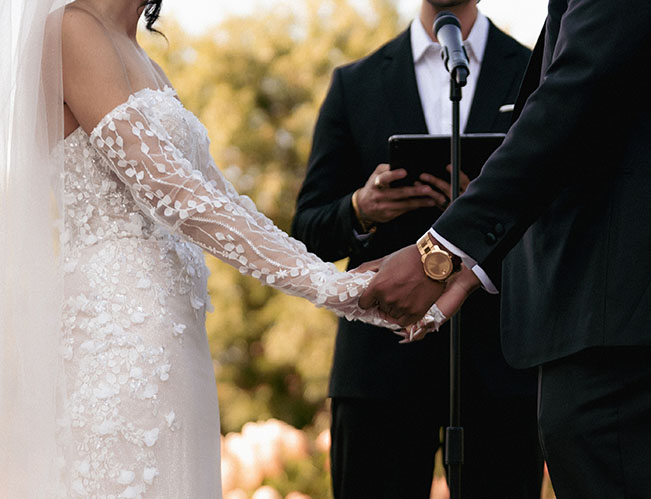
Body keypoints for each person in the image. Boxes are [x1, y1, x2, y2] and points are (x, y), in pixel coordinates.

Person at [0, 0, 444, 496]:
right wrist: (331, 286)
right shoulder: (71, 30)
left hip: (176, 336)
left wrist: (345, 285)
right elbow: (175, 195)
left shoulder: (148, 61)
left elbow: (223, 201)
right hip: (117, 338)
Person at [360, 0, 651, 497]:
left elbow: (580, 91)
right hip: (620, 303)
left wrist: (442, 251)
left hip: (625, 303)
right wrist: (476, 264)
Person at [292, 1, 543, 497]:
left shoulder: (535, 74)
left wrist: (486, 211)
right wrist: (360, 209)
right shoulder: (354, 83)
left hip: (502, 370)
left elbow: (558, 215)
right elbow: (306, 231)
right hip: (379, 373)